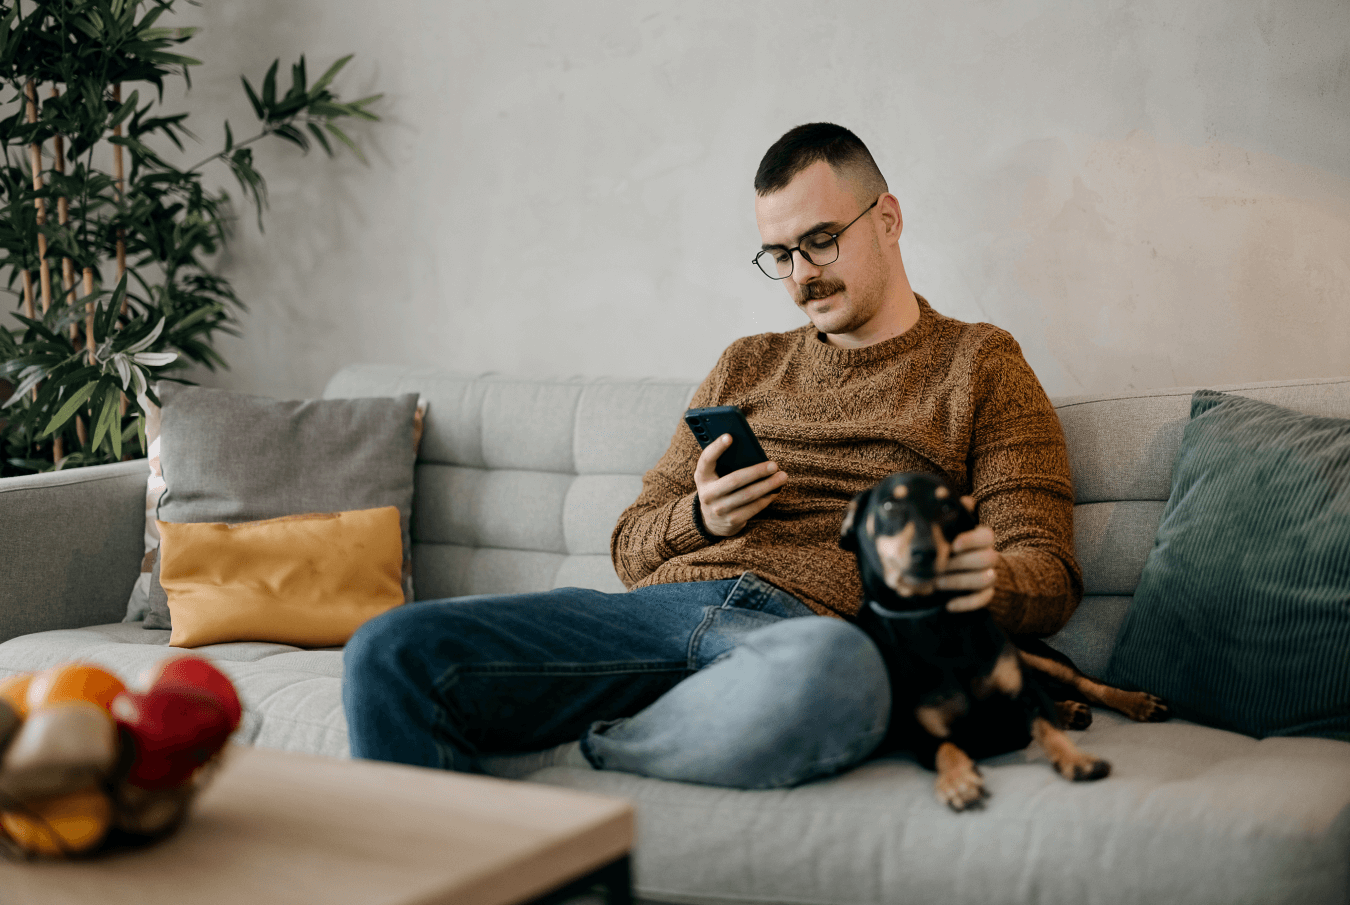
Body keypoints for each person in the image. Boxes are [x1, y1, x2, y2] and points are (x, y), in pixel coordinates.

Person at [342, 123, 1081, 789]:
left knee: (840, 670)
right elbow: (629, 547)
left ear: (887, 219)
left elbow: (1049, 574)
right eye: (779, 254)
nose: (801, 276)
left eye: (820, 241)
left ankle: (609, 752)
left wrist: (982, 578)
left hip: (812, 638)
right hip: (661, 614)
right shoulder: (745, 363)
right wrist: (701, 516)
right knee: (390, 648)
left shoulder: (981, 363)